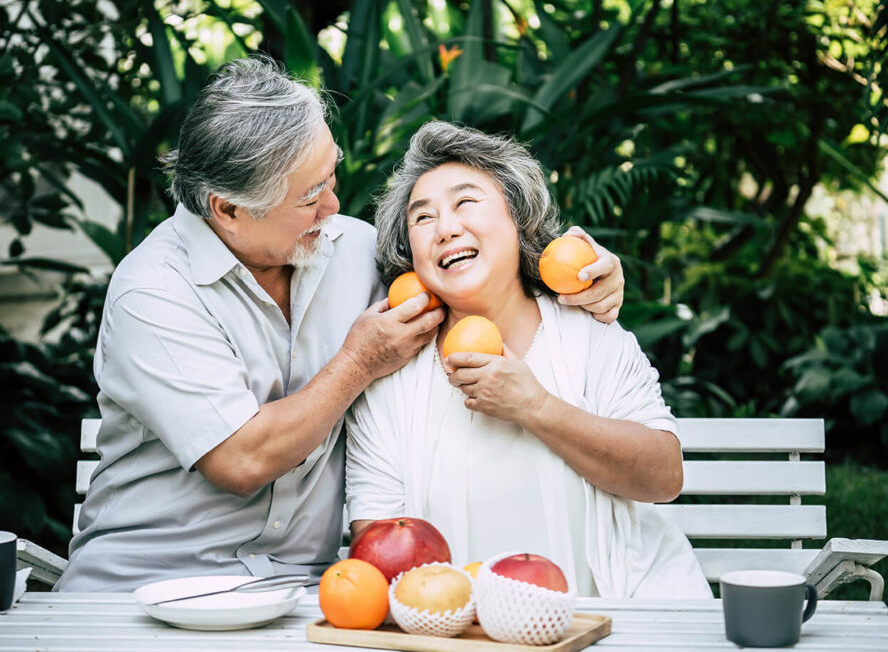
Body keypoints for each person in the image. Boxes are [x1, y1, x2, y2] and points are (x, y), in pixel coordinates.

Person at [55, 58, 626, 592]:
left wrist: (583, 270)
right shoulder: (152, 293)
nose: (333, 206)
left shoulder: (351, 247)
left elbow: (471, 263)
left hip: (303, 595)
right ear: (226, 209)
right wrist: (358, 362)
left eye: (331, 177)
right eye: (310, 197)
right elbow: (241, 459)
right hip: (148, 587)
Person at [345, 120, 711, 598]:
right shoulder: (391, 381)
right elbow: (379, 548)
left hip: (618, 625)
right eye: (423, 218)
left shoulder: (591, 335)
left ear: (518, 218)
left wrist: (535, 407)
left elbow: (664, 476)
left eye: (466, 202)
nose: (447, 228)